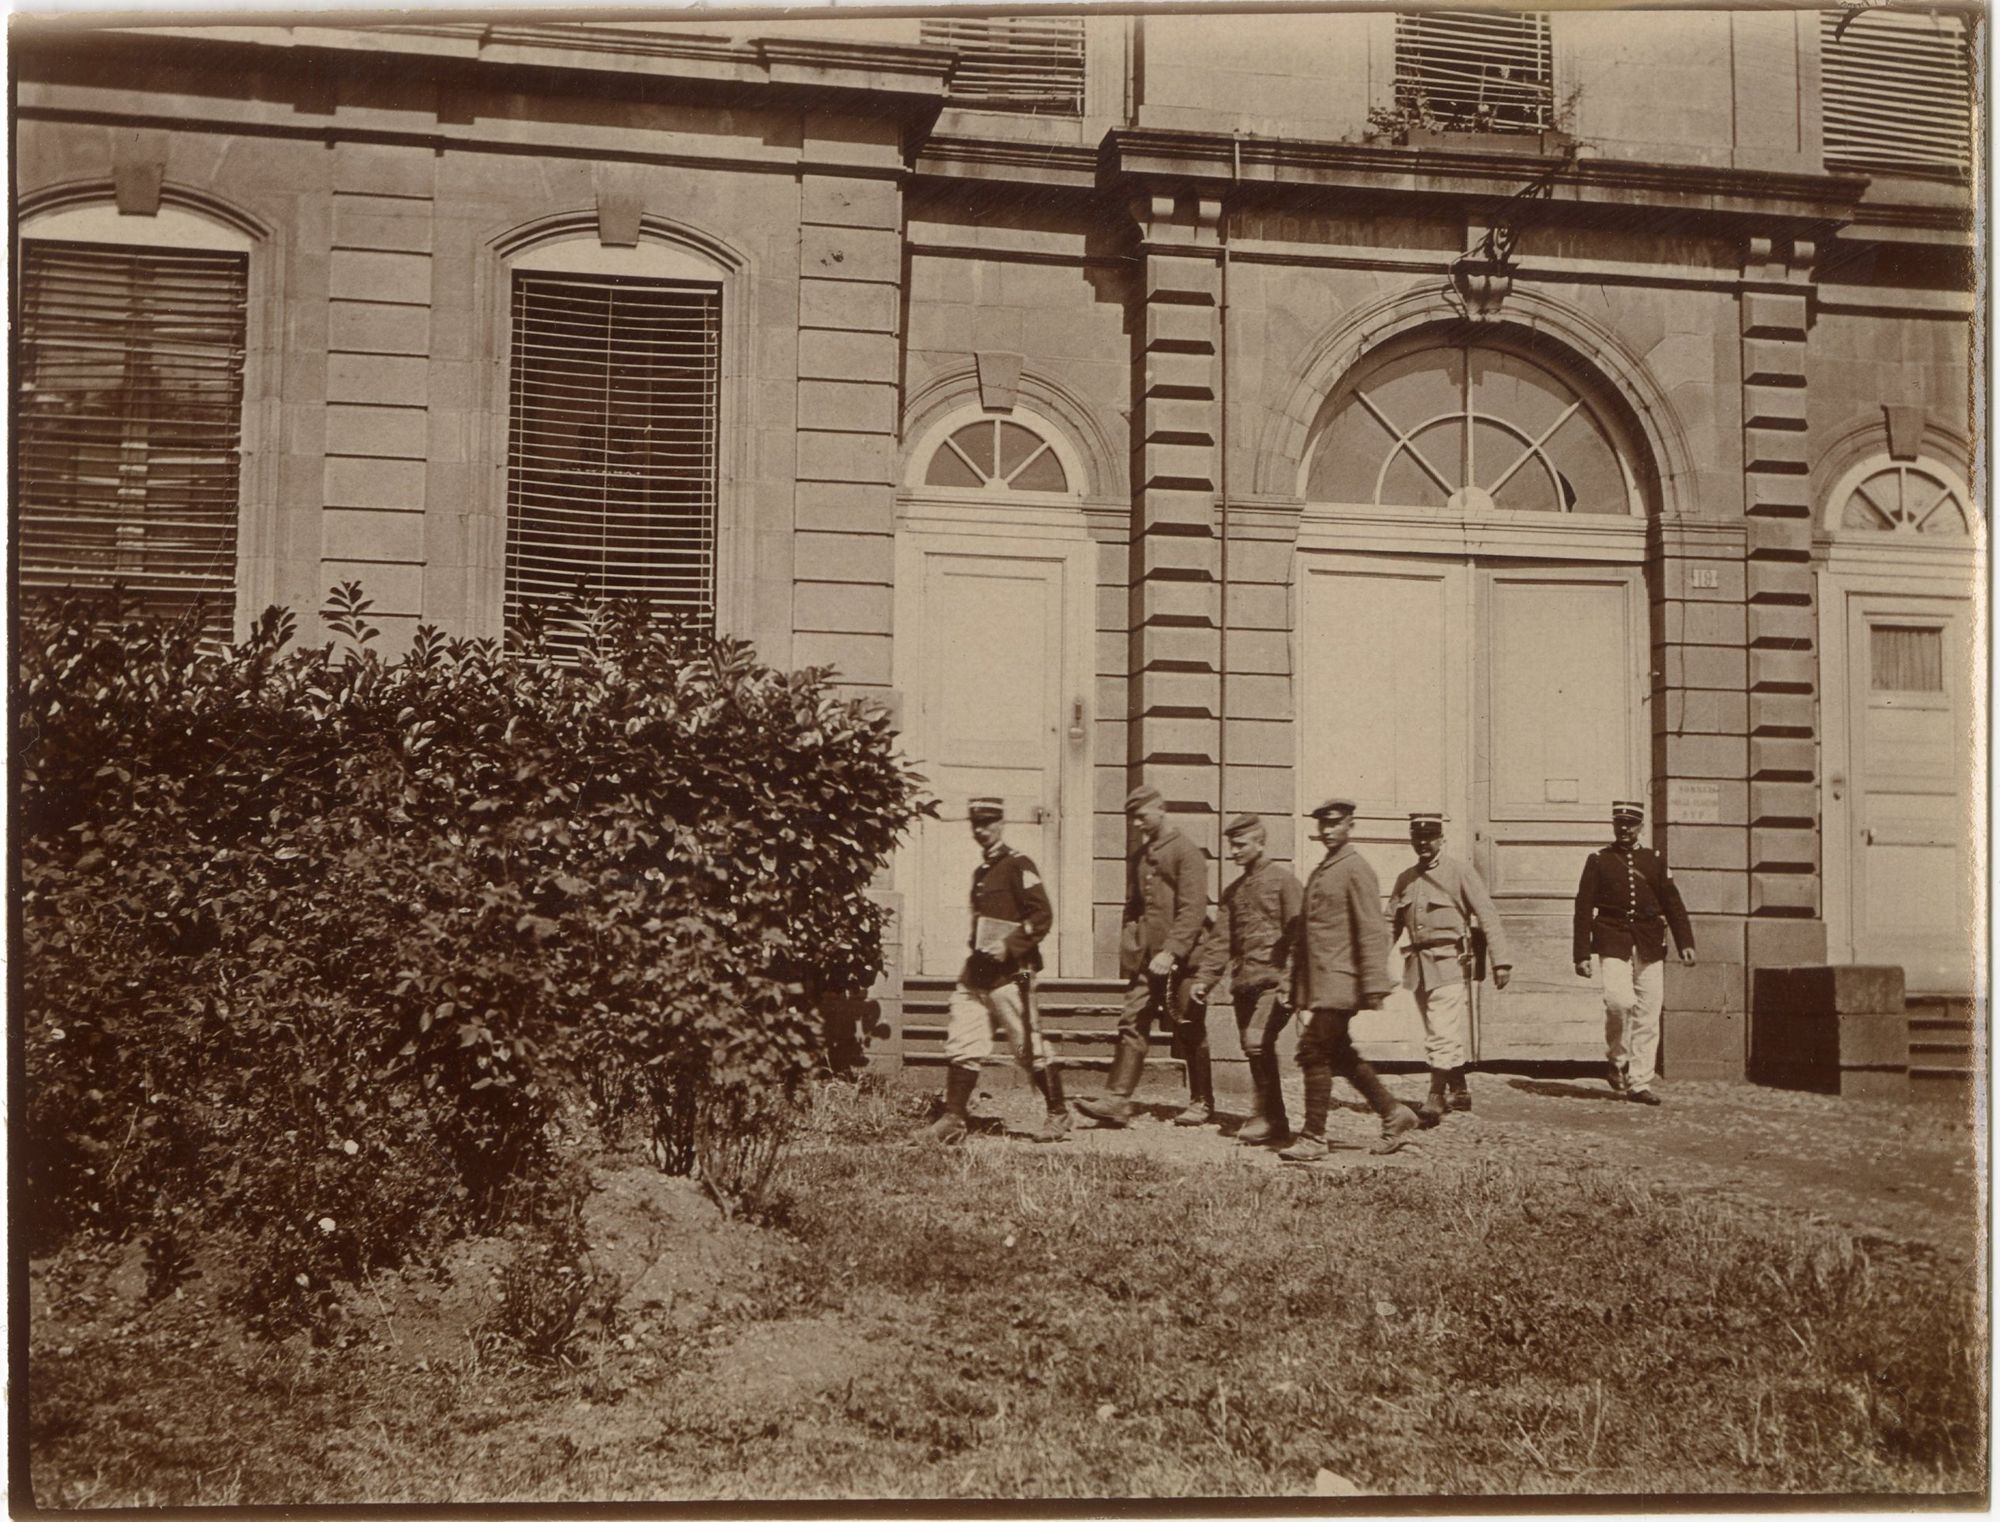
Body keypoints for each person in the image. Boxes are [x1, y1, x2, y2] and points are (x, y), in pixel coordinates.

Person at [918, 796, 1068, 1144]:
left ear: (1001, 823)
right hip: (978, 973)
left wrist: (1010, 945)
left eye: (988, 823)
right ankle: (954, 1119)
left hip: (1014, 973)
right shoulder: (982, 872)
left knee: (1026, 1045)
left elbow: (1042, 916)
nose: (981, 830)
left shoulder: (1018, 864)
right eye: (976, 824)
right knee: (963, 1041)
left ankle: (1058, 1112)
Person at [1281, 798, 1421, 1159]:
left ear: (1350, 825)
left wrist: (1374, 985)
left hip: (1342, 982)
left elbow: (1372, 930)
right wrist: (1294, 984)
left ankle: (1313, 1137)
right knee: (1339, 1053)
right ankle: (1394, 1113)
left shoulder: (1356, 869)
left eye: (1335, 823)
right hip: (1322, 982)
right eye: (1323, 824)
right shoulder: (1325, 868)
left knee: (1312, 1050)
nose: (1328, 830)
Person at [1076, 784, 1209, 1128]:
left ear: (1160, 809)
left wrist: (1171, 951)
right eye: (1132, 818)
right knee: (1132, 1020)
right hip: (1147, 962)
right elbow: (1133, 907)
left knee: (1189, 1026)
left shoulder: (1186, 852)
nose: (1136, 824)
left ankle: (1202, 1101)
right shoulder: (1140, 857)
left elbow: (1193, 909)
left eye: (1141, 816)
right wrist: (1132, 943)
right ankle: (1117, 1101)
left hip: (1183, 961)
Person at [1187, 813, 1302, 1146]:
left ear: (1260, 843)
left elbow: (1300, 935)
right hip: (1245, 984)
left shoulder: (1284, 882)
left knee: (1256, 1041)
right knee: (1254, 1048)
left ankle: (1266, 1117)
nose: (1234, 851)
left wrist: (1291, 982)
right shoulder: (1233, 892)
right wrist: (1205, 979)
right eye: (1231, 845)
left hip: (1275, 982)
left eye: (1240, 845)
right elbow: (1220, 942)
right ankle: (1275, 1121)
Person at [1389, 812, 1512, 1126]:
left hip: (1449, 963)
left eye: (1429, 837)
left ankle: (1436, 1096)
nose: (1423, 844)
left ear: (1441, 839)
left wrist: (1500, 961)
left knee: (1441, 1030)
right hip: (1418, 966)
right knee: (1438, 1029)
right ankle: (1459, 1090)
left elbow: (1487, 914)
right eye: (1417, 838)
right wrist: (1372, 961)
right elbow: (1389, 923)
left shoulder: (1460, 872)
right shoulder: (1405, 879)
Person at [1572, 799, 1696, 1107]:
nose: (1624, 829)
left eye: (1630, 824)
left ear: (1641, 826)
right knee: (1619, 1001)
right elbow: (1583, 908)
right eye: (1620, 823)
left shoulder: (1654, 860)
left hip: (1649, 941)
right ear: (1614, 825)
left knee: (1648, 1013)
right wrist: (1581, 953)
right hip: (1612, 938)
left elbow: (1673, 903)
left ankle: (1640, 1082)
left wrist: (1686, 942)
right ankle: (1617, 1059)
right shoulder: (1599, 860)